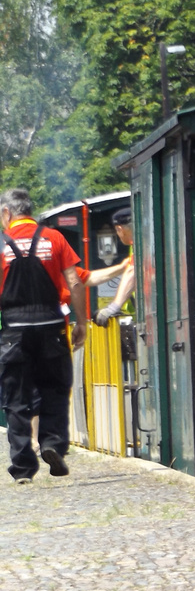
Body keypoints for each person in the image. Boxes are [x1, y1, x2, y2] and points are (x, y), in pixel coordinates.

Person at [0, 188, 86, 482]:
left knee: (16, 398)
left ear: (6, 214)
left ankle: (23, 467)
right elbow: (74, 282)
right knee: (55, 389)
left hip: (14, 329)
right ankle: (52, 444)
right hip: (51, 324)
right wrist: (81, 322)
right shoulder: (55, 238)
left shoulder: (0, 244)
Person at [93, 207, 135, 323]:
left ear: (119, 229)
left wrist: (112, 308)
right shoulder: (136, 245)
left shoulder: (140, 245)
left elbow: (133, 272)